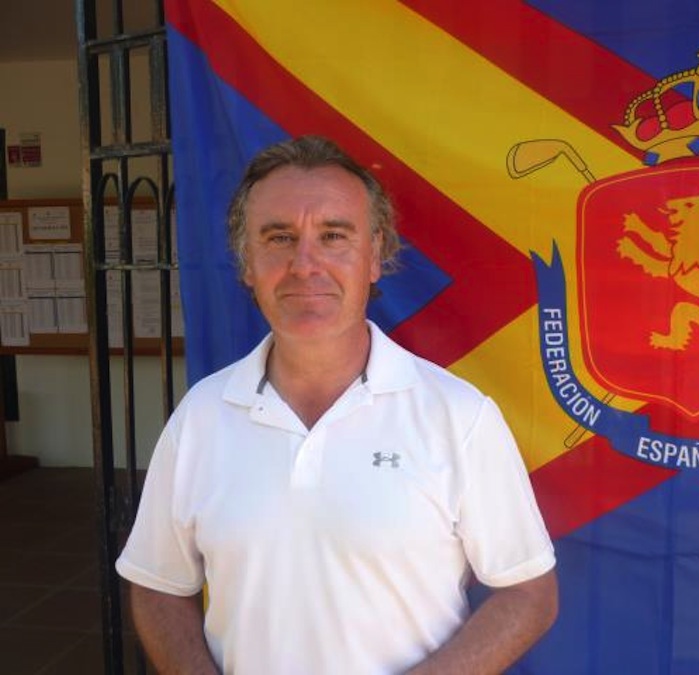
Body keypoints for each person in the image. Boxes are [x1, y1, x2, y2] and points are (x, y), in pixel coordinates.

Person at [116, 135, 558, 674]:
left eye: (333, 236)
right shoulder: (200, 417)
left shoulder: (459, 416)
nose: (305, 264)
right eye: (279, 237)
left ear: (374, 255)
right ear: (247, 262)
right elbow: (157, 584)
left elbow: (528, 592)